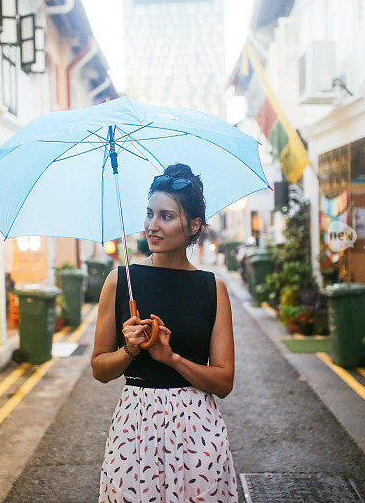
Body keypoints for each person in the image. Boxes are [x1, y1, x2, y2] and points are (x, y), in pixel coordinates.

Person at [91, 163, 238, 503]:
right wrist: (129, 350)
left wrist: (171, 358)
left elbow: (224, 381)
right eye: (149, 213)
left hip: (197, 433)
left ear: (194, 225)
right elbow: (99, 370)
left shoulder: (212, 288)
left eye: (166, 216)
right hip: (134, 430)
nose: (152, 226)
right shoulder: (120, 281)